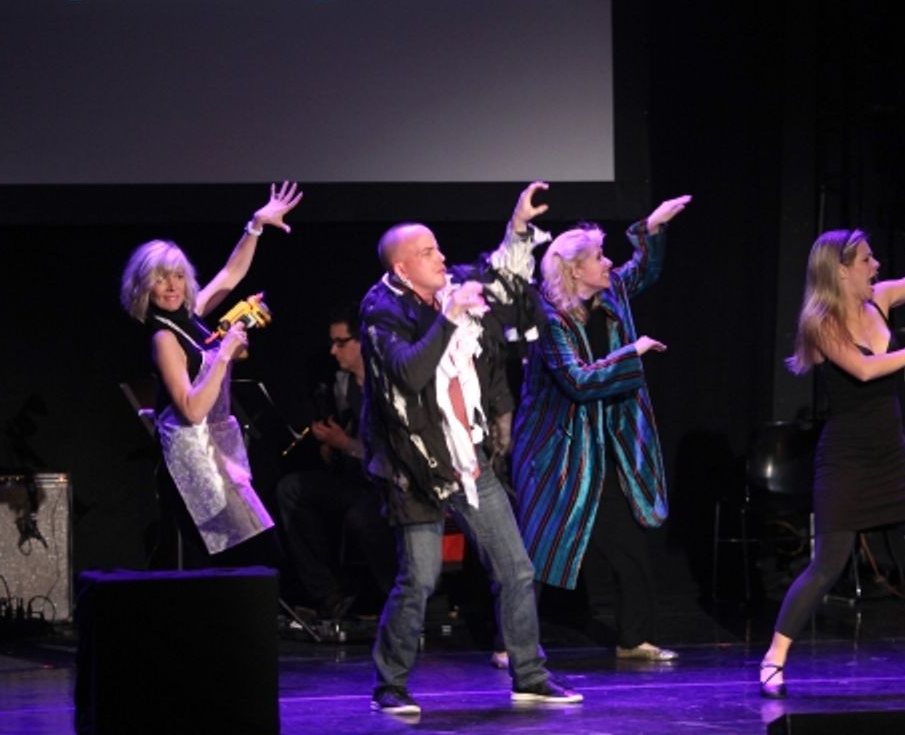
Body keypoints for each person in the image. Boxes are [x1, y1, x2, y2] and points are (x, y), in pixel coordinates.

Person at [360, 182, 581, 715]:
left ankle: (529, 675)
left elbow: (503, 279)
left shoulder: (454, 286)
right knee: (420, 579)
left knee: (516, 568)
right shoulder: (380, 310)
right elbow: (411, 372)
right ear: (402, 267)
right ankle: (389, 685)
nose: (441, 257)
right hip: (413, 467)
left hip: (468, 457)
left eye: (438, 248)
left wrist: (518, 226)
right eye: (428, 252)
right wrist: (450, 317)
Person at [758, 183, 905, 698]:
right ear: (841, 269)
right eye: (866, 259)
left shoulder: (880, 300)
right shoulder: (820, 321)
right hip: (848, 460)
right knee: (828, 565)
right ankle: (774, 658)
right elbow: (862, 369)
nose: (876, 265)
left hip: (891, 455)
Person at [511, 193, 691, 663]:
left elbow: (640, 270)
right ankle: (511, 643)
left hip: (604, 445)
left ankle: (634, 637)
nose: (608, 263)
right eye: (598, 257)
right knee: (541, 545)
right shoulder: (550, 321)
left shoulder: (610, 295)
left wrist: (651, 227)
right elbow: (577, 380)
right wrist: (629, 355)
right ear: (574, 270)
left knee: (628, 543)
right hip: (558, 451)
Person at [119, 181, 302, 568]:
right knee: (247, 557)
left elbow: (230, 276)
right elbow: (191, 409)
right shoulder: (164, 337)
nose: (172, 286)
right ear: (143, 286)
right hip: (192, 460)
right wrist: (224, 354)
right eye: (161, 278)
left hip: (217, 450)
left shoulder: (188, 317)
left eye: (179, 276)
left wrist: (255, 225)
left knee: (261, 552)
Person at [274, 305, 396, 619]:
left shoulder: (387, 383)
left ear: (362, 342)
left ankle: (395, 600)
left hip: (388, 486)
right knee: (291, 489)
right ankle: (328, 595)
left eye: (341, 342)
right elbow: (352, 432)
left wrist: (345, 444)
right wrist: (332, 445)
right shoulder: (343, 385)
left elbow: (388, 452)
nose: (333, 350)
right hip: (356, 481)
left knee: (363, 516)